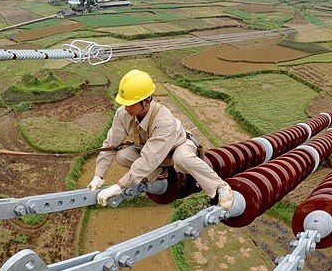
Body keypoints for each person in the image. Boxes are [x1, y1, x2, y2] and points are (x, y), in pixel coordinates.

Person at [88, 69, 234, 209]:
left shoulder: (163, 121)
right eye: (124, 103)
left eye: (130, 104)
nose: (126, 108)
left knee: (182, 158)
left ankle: (220, 187)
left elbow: (148, 159)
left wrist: (119, 186)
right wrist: (98, 176)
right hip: (152, 153)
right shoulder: (123, 114)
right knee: (122, 155)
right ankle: (159, 173)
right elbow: (110, 144)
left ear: (146, 101)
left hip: (177, 147)